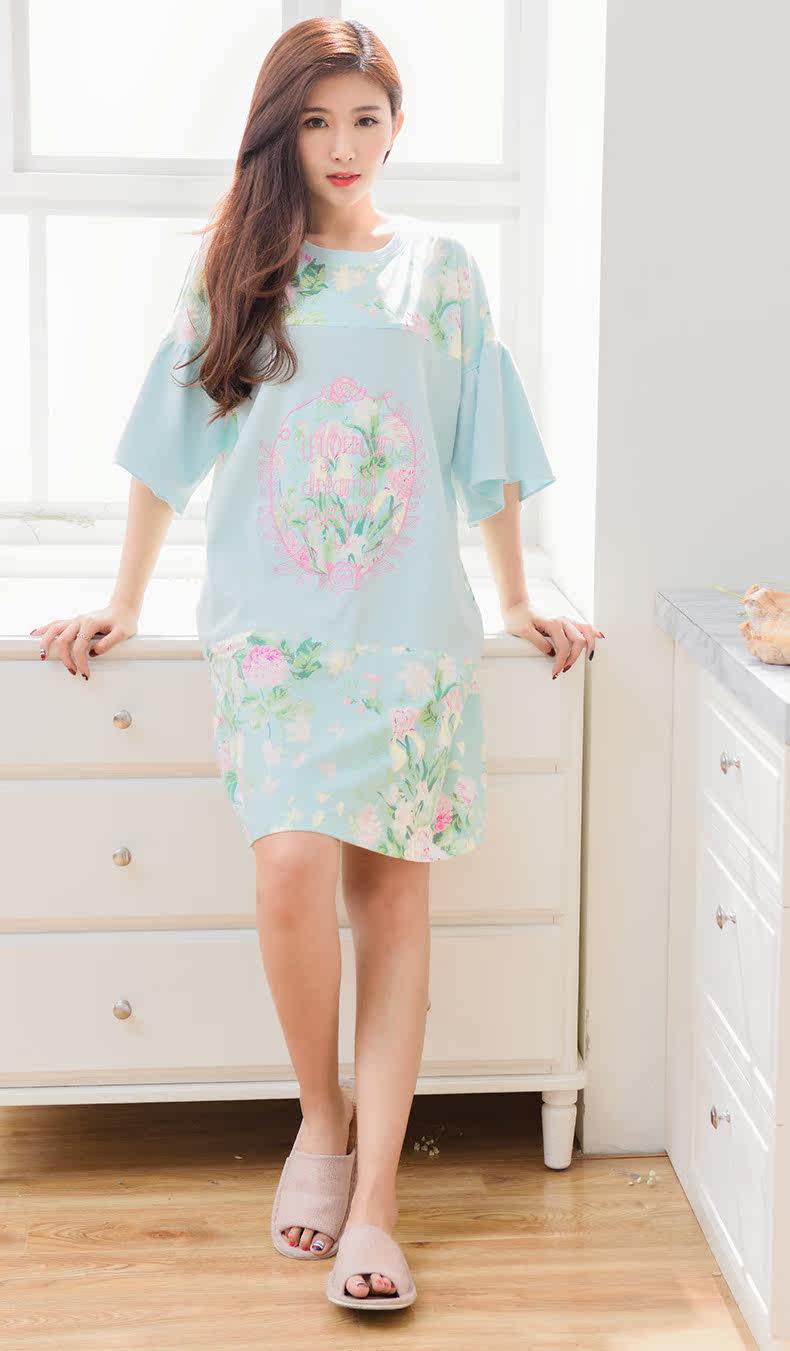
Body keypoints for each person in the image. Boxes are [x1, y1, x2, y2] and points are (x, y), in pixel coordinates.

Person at [30, 16, 603, 1312]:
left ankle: (378, 1204)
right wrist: (121, 601)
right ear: (278, 133)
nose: (344, 145)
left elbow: (485, 444)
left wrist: (518, 600)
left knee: (392, 900)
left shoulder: (440, 273)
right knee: (290, 865)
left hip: (407, 629)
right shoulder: (240, 267)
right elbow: (163, 446)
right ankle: (322, 1122)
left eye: (365, 118)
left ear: (397, 128)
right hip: (275, 631)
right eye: (316, 121)